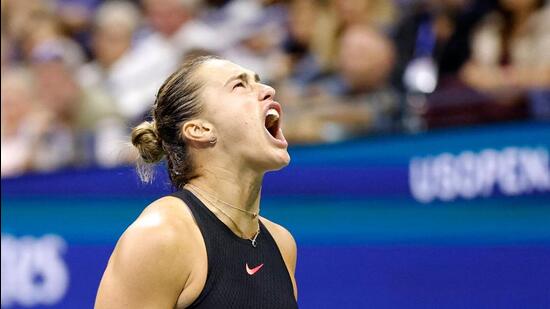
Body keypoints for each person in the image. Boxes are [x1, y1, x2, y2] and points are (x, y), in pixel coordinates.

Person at [95, 56, 298, 308]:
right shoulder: (162, 236)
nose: (268, 90)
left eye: (259, 82)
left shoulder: (282, 243)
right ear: (199, 129)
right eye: (239, 86)